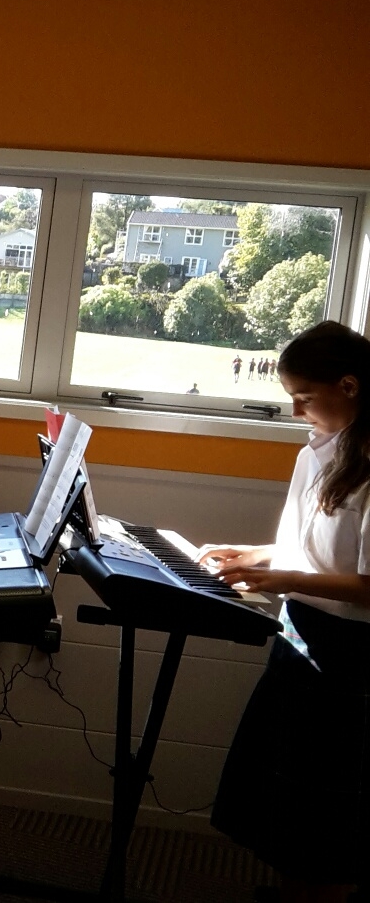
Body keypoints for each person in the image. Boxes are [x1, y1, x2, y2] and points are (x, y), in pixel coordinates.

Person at [199, 320, 370, 903]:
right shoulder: (318, 452)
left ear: (349, 385)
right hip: (301, 631)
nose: (297, 412)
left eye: (304, 397)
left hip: (350, 651)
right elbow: (315, 547)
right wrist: (257, 554)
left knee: (328, 808)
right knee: (291, 796)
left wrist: (285, 578)